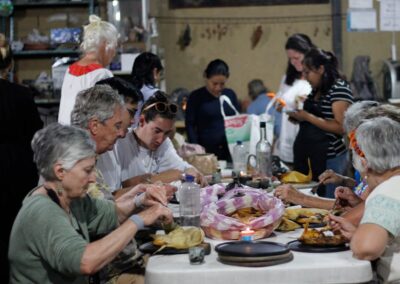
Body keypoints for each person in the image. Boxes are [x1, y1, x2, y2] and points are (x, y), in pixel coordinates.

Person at [8, 123, 173, 284]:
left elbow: (112, 213)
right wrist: (140, 220)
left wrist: (140, 200)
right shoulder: (43, 211)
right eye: (87, 170)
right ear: (60, 171)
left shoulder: (73, 200)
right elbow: (85, 262)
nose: (93, 178)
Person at [329, 117, 400, 283]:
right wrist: (358, 233)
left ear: (364, 162)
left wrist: (357, 239)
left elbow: (366, 249)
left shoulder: (388, 189)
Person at [0, 34, 43, 281]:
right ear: (10, 65)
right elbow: (37, 137)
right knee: (14, 232)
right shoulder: (22, 94)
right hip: (19, 170)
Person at [288, 48, 354, 197]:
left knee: (328, 202)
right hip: (311, 156)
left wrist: (307, 117)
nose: (304, 77)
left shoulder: (339, 89)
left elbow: (340, 127)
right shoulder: (317, 89)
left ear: (321, 69)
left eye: (307, 72)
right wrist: (296, 116)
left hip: (330, 158)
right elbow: (315, 117)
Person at [114, 91, 205, 195]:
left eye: (166, 133)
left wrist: (192, 172)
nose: (160, 140)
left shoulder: (164, 144)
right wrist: (174, 174)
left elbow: (185, 168)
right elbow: (119, 189)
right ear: (142, 120)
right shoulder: (120, 142)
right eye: (157, 131)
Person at [58, 15, 118, 125]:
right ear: (106, 45)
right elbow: (107, 117)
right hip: (84, 139)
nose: (114, 53)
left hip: (63, 136)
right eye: (115, 47)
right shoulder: (103, 74)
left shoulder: (69, 70)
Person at [186, 58, 240, 162]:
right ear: (206, 78)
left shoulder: (230, 95)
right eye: (214, 84)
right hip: (205, 150)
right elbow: (190, 125)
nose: (218, 88)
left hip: (229, 149)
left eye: (222, 84)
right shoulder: (196, 97)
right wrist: (196, 149)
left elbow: (237, 120)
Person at [94, 77, 143, 192]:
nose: (133, 121)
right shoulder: (88, 145)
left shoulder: (115, 140)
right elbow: (107, 201)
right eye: (131, 113)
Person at [274, 34, 314, 164]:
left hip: (308, 140)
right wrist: (279, 105)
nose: (293, 62)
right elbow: (279, 104)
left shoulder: (316, 77)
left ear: (307, 54)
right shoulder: (288, 78)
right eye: (290, 59)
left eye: (297, 58)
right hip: (287, 139)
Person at [131, 52, 163, 124]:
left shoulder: (126, 92)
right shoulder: (156, 95)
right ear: (155, 72)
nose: (159, 78)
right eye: (160, 74)